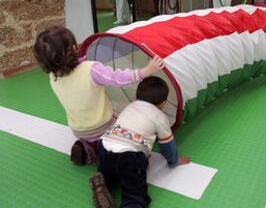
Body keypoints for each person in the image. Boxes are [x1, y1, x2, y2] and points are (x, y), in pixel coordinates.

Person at [33, 26, 165, 165]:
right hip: (103, 127)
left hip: (78, 129)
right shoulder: (91, 69)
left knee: (91, 133)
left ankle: (85, 145)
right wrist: (147, 70)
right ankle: (102, 152)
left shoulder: (53, 77)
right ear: (73, 48)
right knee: (127, 125)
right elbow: (118, 78)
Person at [89, 76, 191, 208]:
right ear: (163, 103)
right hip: (129, 156)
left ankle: (104, 184)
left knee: (110, 171)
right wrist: (174, 161)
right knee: (135, 193)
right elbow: (167, 145)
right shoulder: (160, 117)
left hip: (104, 146)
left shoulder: (129, 106)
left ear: (137, 96)